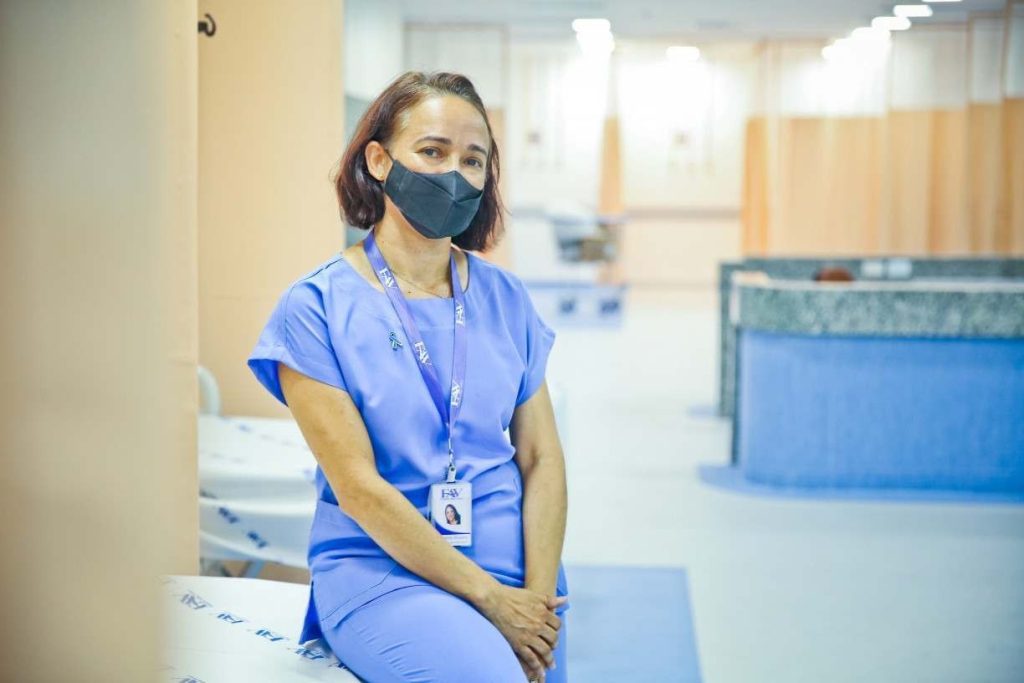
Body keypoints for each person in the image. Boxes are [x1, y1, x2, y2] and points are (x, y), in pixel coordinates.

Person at [247, 71, 569, 683]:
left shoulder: (506, 298)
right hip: (384, 570)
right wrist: (494, 602)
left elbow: (541, 458)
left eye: (473, 160)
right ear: (378, 161)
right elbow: (358, 487)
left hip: (516, 568)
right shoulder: (316, 308)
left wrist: (538, 595)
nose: (454, 174)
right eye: (432, 151)